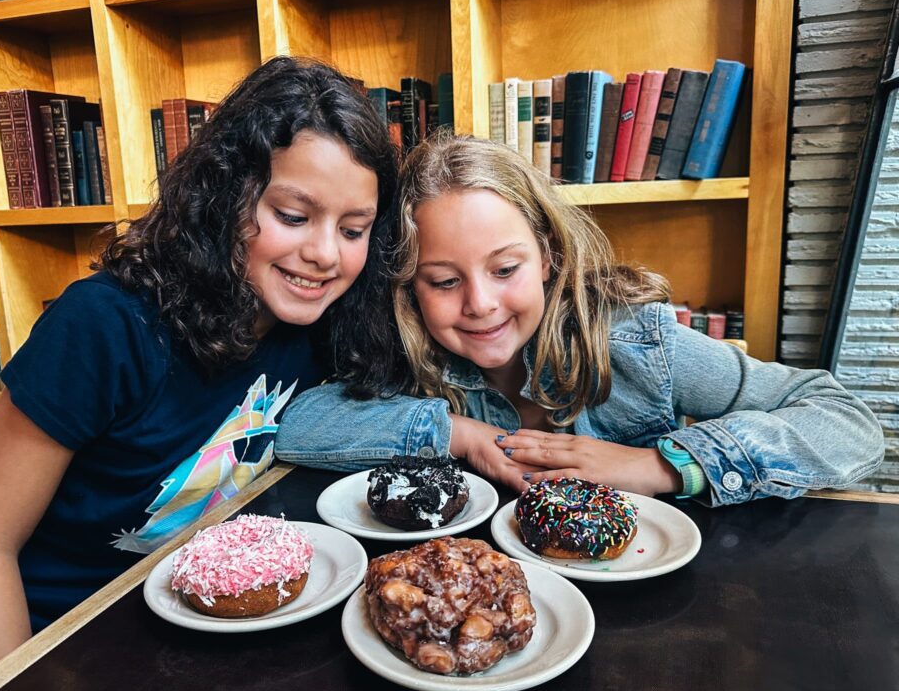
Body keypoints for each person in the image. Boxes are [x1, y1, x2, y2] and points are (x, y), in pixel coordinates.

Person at [0, 57, 399, 691]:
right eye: (293, 215)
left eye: (353, 229)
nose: (325, 252)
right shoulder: (106, 325)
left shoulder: (315, 323)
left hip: (117, 622)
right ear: (226, 196)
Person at [276, 133, 884, 504]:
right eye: (444, 281)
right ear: (409, 287)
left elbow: (846, 420)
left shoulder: (631, 340)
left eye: (505, 269)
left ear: (547, 255)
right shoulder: (412, 355)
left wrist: (664, 466)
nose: (481, 304)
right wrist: (461, 435)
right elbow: (299, 425)